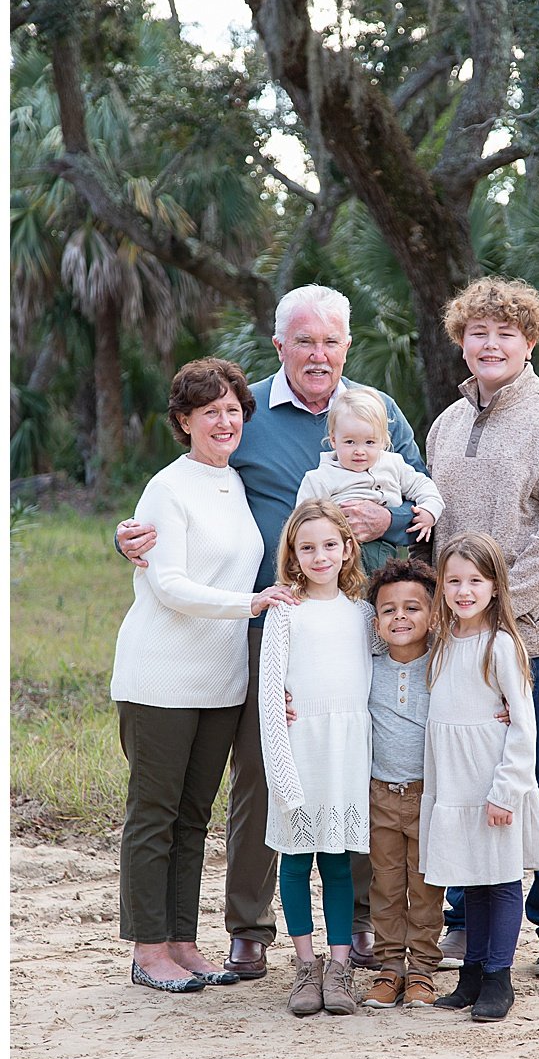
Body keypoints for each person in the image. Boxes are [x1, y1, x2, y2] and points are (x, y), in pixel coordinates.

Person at [116, 284, 426, 978]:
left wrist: (393, 521)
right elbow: (174, 500)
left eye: (332, 342)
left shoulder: (379, 411)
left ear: (349, 346)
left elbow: (421, 493)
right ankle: (249, 926)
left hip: (359, 620)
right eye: (305, 341)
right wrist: (126, 537)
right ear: (279, 345)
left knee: (360, 757)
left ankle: (363, 921)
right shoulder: (243, 412)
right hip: (266, 622)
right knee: (261, 770)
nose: (319, 354)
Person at [425, 277, 539, 978]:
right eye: (477, 332)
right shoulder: (444, 424)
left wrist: (501, 610)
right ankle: (467, 918)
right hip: (463, 638)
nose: (489, 343)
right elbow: (435, 526)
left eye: (505, 332)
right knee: (467, 776)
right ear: (461, 342)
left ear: (529, 341)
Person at [109, 359, 300, 993]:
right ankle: (147, 949)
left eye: (233, 409)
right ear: (184, 420)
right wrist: (250, 604)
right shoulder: (168, 487)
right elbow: (167, 584)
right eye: (209, 410)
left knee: (194, 816)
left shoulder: (233, 483)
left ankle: (183, 942)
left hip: (221, 680)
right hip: (162, 675)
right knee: (154, 813)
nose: (225, 421)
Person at [423, 532, 539, 1022]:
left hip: (494, 784)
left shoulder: (500, 645)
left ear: (496, 586)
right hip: (454, 784)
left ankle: (499, 976)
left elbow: (522, 725)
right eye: (452, 580)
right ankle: (471, 973)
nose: (464, 591)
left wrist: (506, 790)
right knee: (471, 881)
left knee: (499, 880)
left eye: (476, 580)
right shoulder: (440, 644)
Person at [259, 500, 376, 1017]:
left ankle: (339, 965)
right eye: (307, 547)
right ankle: (304, 965)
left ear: (348, 548)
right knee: (295, 859)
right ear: (292, 554)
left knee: (338, 862)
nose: (320, 555)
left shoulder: (365, 613)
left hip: (347, 751)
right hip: (300, 746)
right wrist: (282, 776)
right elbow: (270, 693)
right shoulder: (287, 612)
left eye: (330, 545)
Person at [358, 558, 446, 1010]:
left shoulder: (444, 666)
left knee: (427, 887)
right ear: (376, 622)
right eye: (389, 610)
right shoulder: (368, 668)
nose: (400, 618)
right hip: (380, 796)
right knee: (386, 885)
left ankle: (424, 971)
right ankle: (390, 966)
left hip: (428, 795)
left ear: (433, 616)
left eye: (413, 608)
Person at [296, 388, 445, 574]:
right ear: (334, 440)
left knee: (384, 595)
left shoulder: (393, 464)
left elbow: (423, 486)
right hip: (339, 559)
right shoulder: (320, 478)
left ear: (383, 441)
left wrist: (429, 510)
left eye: (369, 442)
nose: (360, 451)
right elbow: (300, 521)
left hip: (386, 554)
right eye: (350, 442)